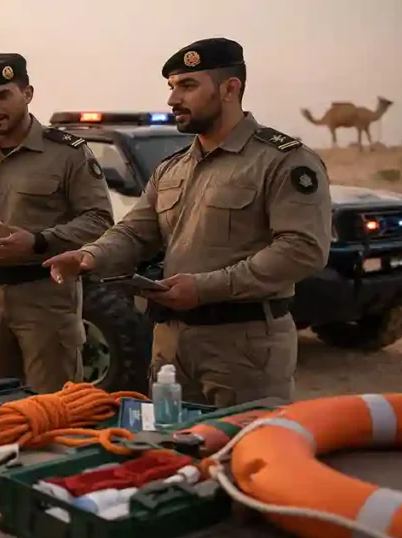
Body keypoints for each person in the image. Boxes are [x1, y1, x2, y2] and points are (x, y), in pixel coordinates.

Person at [46, 38, 332, 407]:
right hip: (170, 347)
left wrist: (204, 288)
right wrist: (90, 256)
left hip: (244, 348)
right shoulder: (172, 167)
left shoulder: (282, 161)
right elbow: (135, 231)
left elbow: (302, 250)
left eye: (188, 86)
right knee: (173, 454)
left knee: (242, 457)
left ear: (231, 89)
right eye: (171, 87)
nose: (172, 99)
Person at [0, 53, 115, 393]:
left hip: (46, 297)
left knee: (53, 405)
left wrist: (39, 242)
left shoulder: (67, 154)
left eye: (2, 95)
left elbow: (99, 220)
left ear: (28, 94)